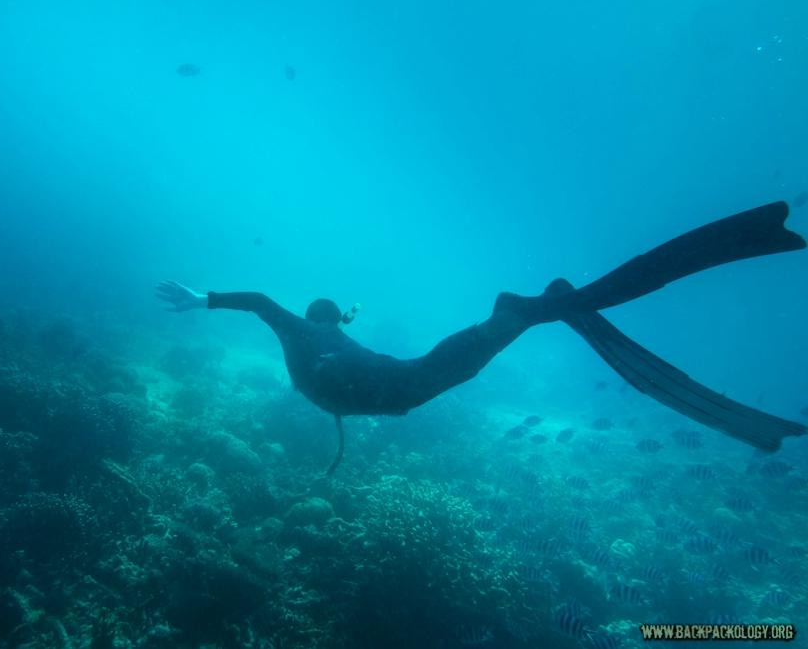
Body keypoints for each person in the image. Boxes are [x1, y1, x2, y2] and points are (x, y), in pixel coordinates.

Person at [157, 202, 807, 473]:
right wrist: (204, 298)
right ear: (333, 316)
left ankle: (528, 308)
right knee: (510, 324)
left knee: (514, 322)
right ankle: (526, 309)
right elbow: (277, 309)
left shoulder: (302, 326)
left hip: (407, 384)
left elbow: (263, 303)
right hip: (411, 381)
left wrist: (202, 300)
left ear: (315, 315)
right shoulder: (317, 328)